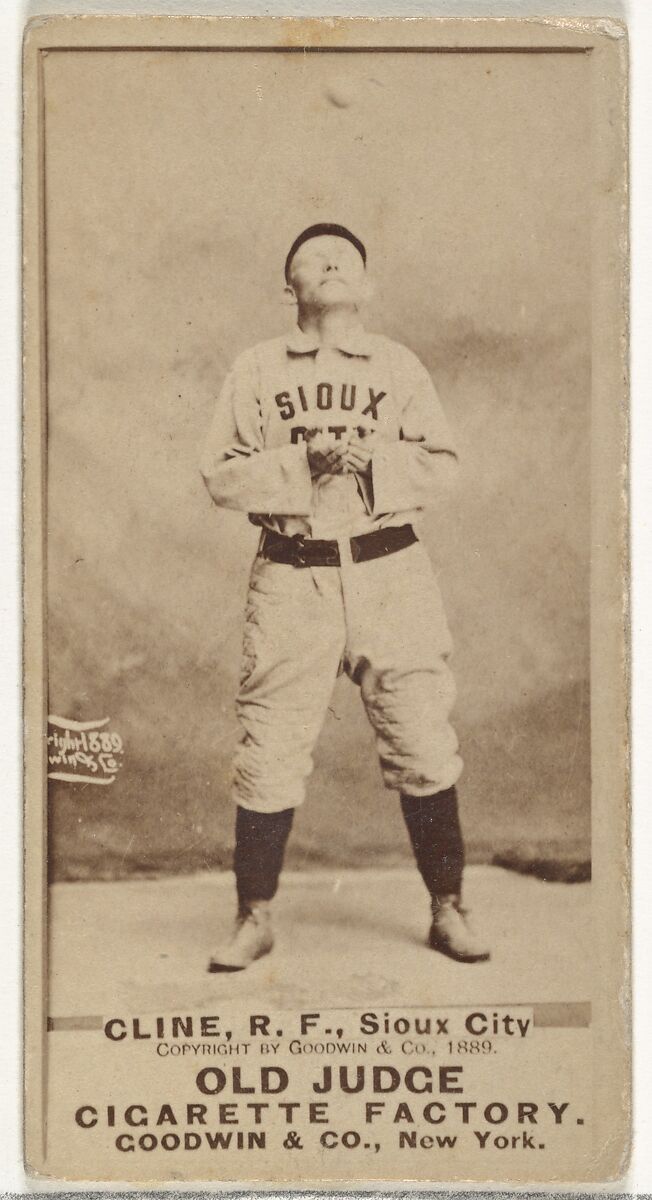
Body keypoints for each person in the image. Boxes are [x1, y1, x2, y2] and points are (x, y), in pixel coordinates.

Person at [200, 223, 490, 971]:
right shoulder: (259, 367)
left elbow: (444, 463)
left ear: (367, 286)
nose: (330, 263)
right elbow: (221, 474)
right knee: (269, 744)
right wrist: (303, 461)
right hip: (292, 573)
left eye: (346, 259)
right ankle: (253, 915)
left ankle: (448, 907)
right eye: (311, 259)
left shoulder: (397, 365)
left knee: (423, 736)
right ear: (288, 287)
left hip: (390, 568)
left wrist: (375, 464)